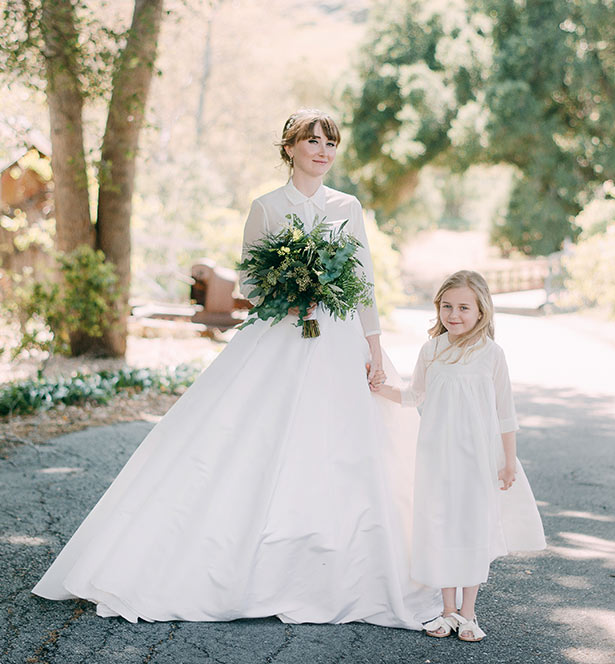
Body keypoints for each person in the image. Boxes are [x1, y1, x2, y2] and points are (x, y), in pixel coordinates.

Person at [32, 108, 441, 629]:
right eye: (310, 140)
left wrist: (375, 348)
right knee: (257, 441)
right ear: (289, 147)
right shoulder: (267, 207)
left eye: (330, 142)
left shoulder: (348, 207)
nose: (322, 150)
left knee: (342, 447)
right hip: (281, 337)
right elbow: (248, 281)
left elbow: (363, 282)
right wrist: (287, 295)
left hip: (338, 340)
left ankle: (336, 563)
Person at [373, 270, 546, 642]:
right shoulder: (431, 350)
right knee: (439, 525)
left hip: (476, 459)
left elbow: (506, 413)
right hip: (436, 457)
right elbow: (413, 395)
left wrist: (508, 460)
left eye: (464, 307)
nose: (454, 315)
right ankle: (446, 610)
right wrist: (381, 387)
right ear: (438, 309)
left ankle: (469, 613)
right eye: (447, 306)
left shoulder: (491, 355)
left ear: (481, 310)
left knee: (471, 527)